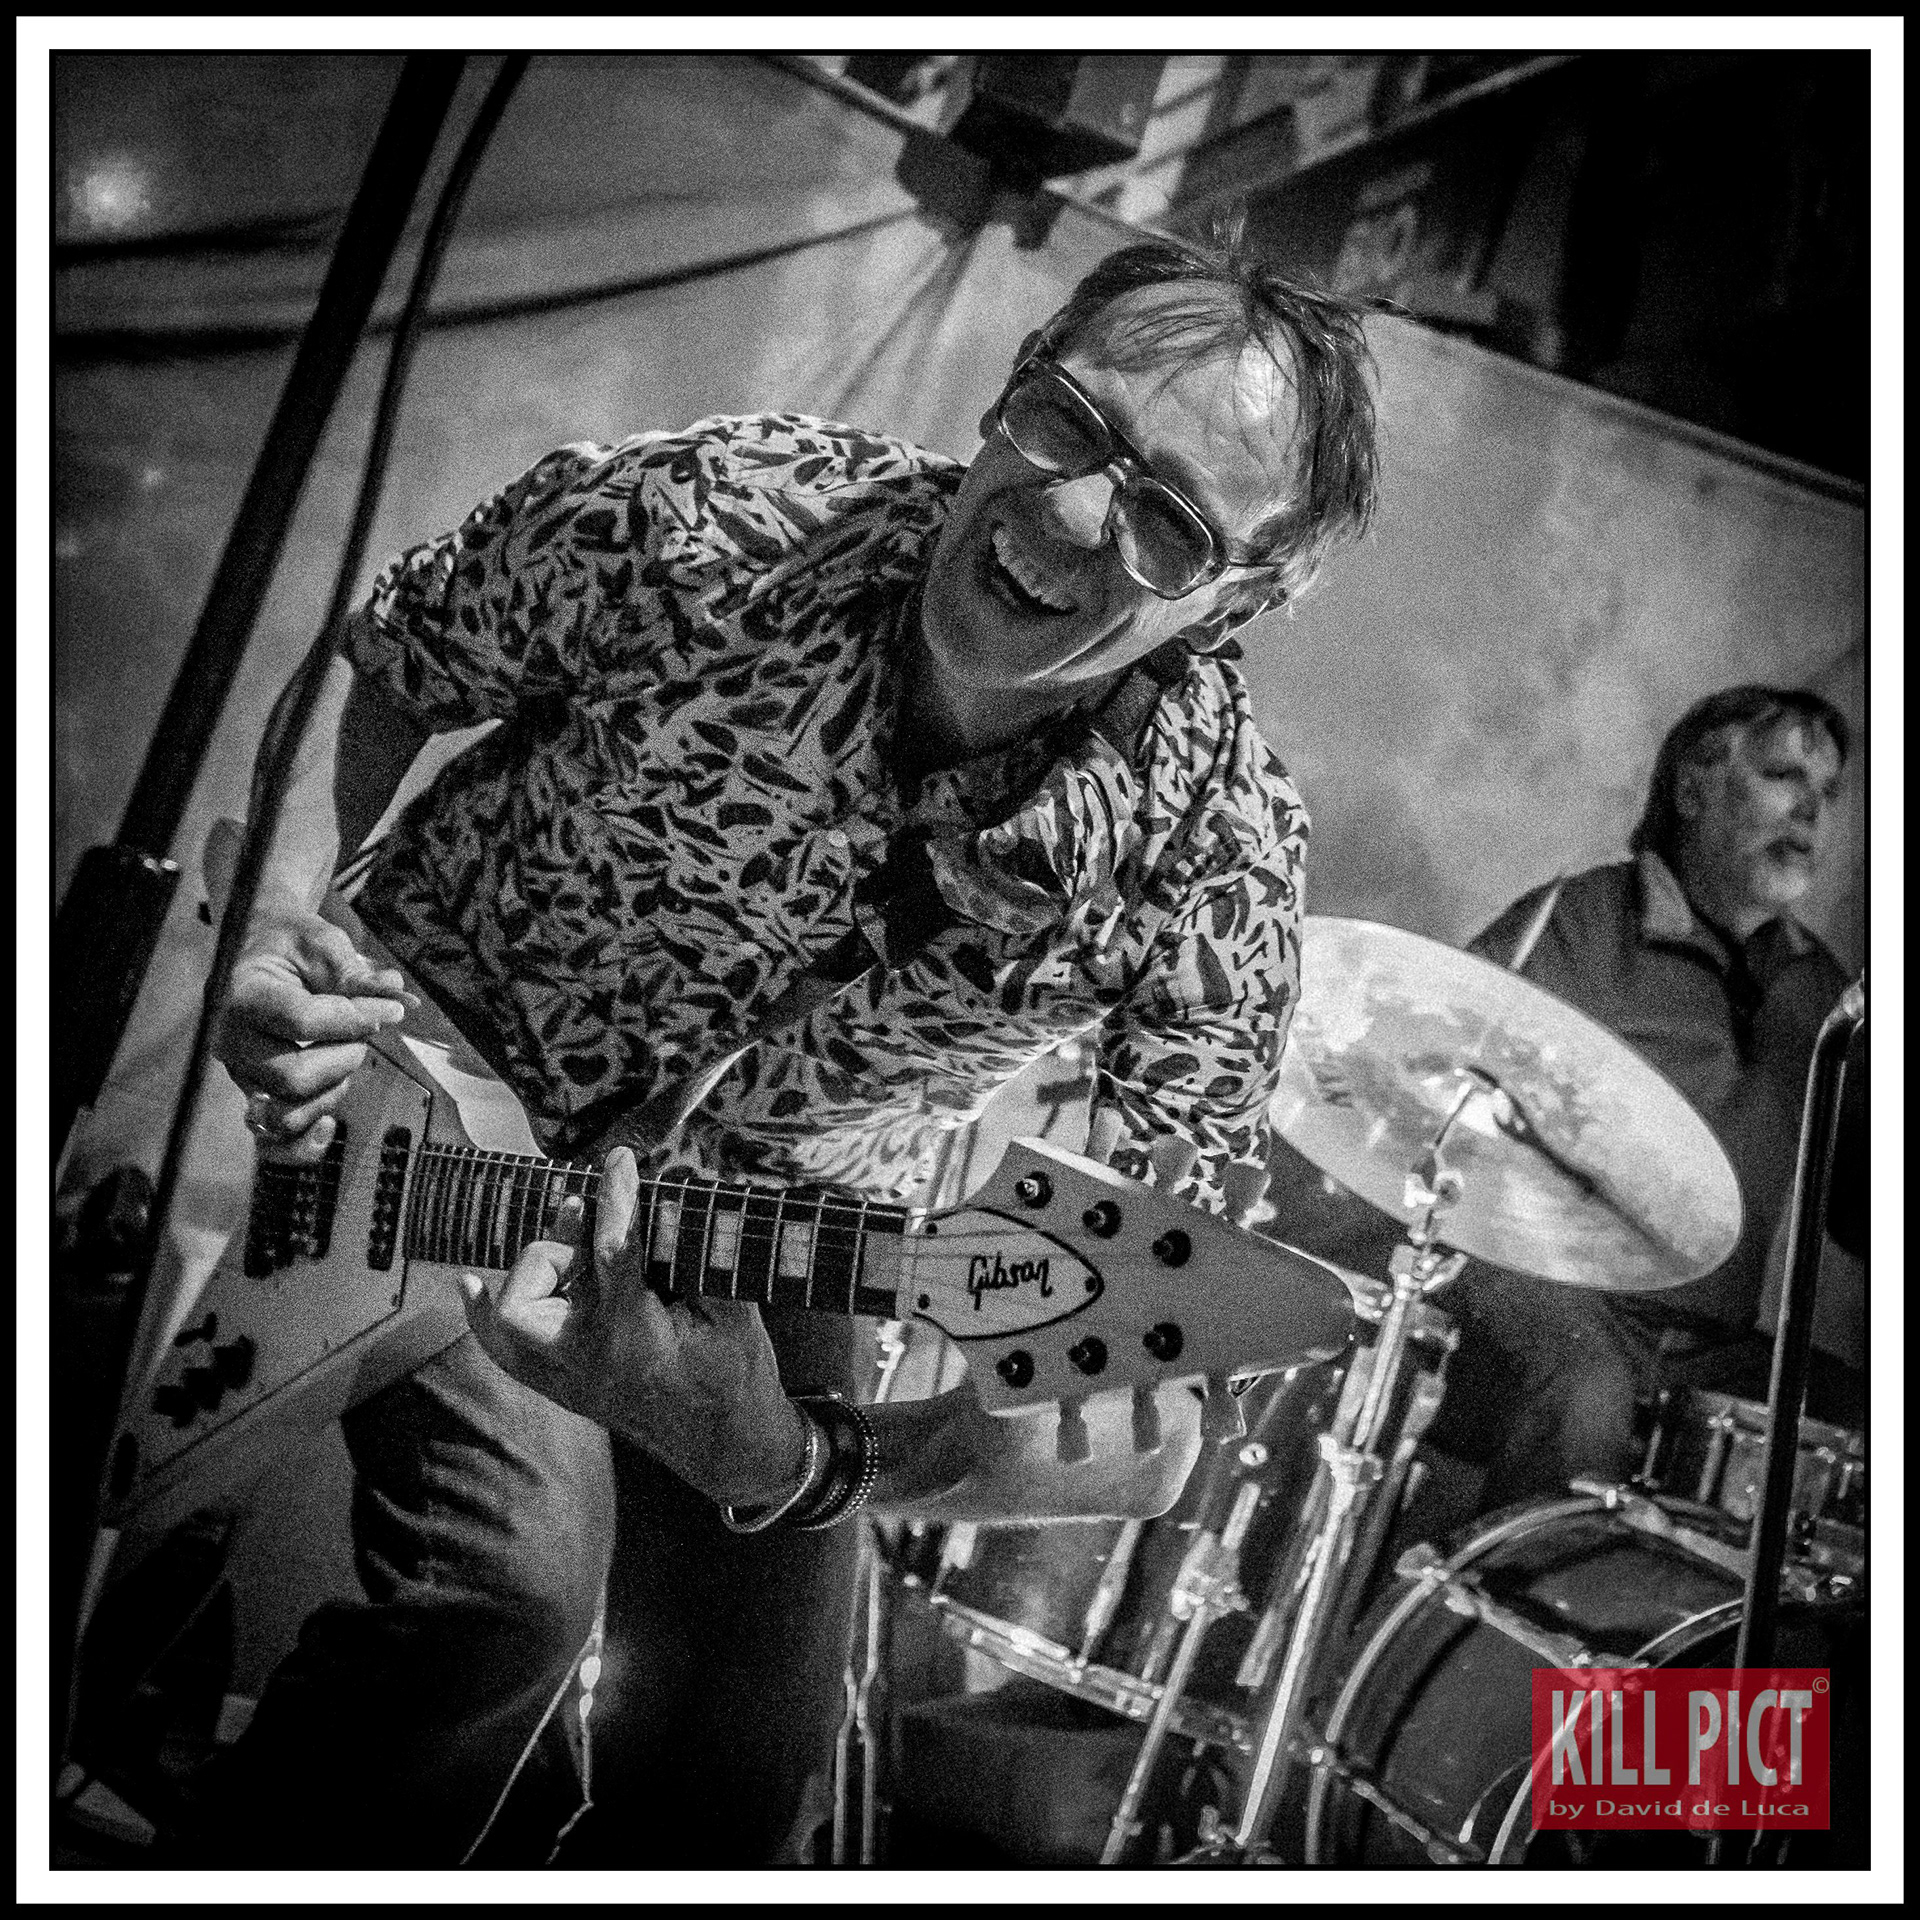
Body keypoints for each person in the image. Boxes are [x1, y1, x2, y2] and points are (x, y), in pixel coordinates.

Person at [191, 229, 1381, 1867]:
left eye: (1170, 520)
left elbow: (1142, 1420)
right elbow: (387, 664)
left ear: (1245, 594)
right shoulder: (722, 515)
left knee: (735, 1788)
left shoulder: (1217, 866)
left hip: (775, 1220)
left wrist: (791, 1456)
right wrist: (273, 923)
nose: (1070, 515)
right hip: (429, 1065)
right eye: (1070, 426)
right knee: (505, 1592)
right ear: (1014, 381)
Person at [1430, 684, 1860, 1512]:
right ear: (1693, 788)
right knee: (1589, 1391)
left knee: (1858, 1424)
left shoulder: (1823, 991)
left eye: (1827, 791)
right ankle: (1506, 1600)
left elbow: (1860, 1208)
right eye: (1782, 775)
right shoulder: (1584, 917)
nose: (1810, 810)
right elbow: (1433, 1080)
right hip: (1542, 1291)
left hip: (1708, 1340)